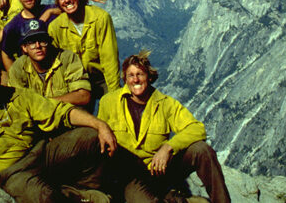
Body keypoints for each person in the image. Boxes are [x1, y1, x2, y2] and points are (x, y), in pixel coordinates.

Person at [0, 54, 118, 202]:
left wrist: (100, 125)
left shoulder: (18, 96)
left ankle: (88, 189)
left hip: (43, 154)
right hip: (14, 173)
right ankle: (73, 196)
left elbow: (60, 111)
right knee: (44, 197)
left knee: (90, 137)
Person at [98, 52, 230, 203]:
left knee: (202, 150)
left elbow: (197, 128)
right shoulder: (109, 102)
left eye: (140, 74)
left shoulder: (165, 104)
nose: (135, 80)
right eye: (131, 75)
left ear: (149, 76)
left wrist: (168, 147)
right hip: (130, 176)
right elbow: (99, 143)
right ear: (125, 79)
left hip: (161, 171)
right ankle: (169, 197)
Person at [48, 0, 120, 100]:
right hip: (74, 83)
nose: (67, 1)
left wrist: (114, 96)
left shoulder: (101, 18)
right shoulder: (55, 27)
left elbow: (110, 59)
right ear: (58, 3)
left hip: (101, 78)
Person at [8, 21, 91, 107]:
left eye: (42, 40)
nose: (38, 46)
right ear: (24, 48)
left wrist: (45, 103)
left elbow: (83, 96)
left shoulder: (67, 58)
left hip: (68, 116)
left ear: (49, 42)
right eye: (32, 42)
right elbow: (16, 103)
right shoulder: (18, 68)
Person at [0, 0, 59, 70]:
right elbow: (6, 54)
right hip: (32, 77)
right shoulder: (13, 26)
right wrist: (16, 79)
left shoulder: (53, 11)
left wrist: (51, 12)